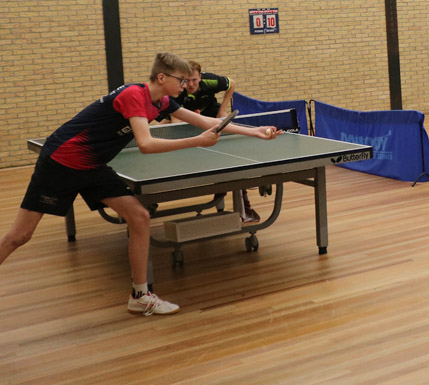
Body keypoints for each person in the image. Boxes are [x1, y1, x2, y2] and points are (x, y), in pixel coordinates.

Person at [0, 53, 279, 316]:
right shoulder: (134, 95)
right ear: (162, 78)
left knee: (139, 217)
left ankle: (139, 295)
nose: (185, 86)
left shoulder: (163, 102)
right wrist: (197, 141)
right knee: (20, 236)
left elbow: (203, 120)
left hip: (93, 165)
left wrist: (254, 131)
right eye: (181, 80)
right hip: (62, 161)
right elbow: (145, 144)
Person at [175, 63, 257, 223]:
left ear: (200, 77)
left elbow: (232, 83)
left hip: (211, 113)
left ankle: (242, 174)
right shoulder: (177, 89)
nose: (190, 84)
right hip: (188, 118)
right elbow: (174, 116)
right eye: (186, 80)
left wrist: (222, 110)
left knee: (229, 142)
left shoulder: (210, 81)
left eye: (194, 80)